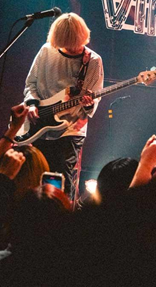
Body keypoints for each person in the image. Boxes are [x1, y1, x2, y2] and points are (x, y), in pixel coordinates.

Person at [23, 12, 104, 199]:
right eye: (66, 43)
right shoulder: (46, 51)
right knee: (34, 178)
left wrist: (89, 104)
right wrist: (32, 105)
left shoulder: (93, 61)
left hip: (70, 128)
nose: (72, 48)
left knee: (62, 180)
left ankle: (61, 213)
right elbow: (31, 84)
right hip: (39, 123)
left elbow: (95, 96)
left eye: (75, 43)